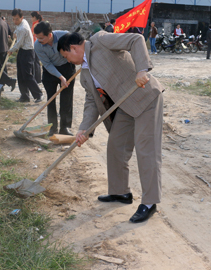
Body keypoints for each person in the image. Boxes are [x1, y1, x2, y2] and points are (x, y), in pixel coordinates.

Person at [57, 31, 164, 224]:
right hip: (125, 106)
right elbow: (91, 102)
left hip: (145, 98)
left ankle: (150, 203)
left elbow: (136, 39)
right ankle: (120, 192)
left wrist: (142, 70)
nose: (68, 61)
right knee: (116, 146)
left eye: (66, 56)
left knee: (146, 150)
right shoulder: (85, 74)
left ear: (73, 48)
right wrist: (84, 129)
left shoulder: (100, 41)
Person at [34, 21, 75, 135]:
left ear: (49, 34)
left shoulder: (65, 36)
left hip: (67, 68)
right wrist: (60, 77)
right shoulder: (38, 45)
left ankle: (65, 128)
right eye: (37, 37)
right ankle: (52, 128)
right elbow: (47, 65)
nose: (39, 40)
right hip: (50, 72)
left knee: (66, 99)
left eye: (41, 38)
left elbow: (78, 46)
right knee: (51, 99)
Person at [8, 9, 43, 103]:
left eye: (17, 19)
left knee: (27, 75)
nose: (15, 21)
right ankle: (24, 96)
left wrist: (11, 50)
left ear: (21, 18)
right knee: (20, 75)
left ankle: (38, 94)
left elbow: (19, 43)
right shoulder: (23, 22)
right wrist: (15, 33)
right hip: (22, 51)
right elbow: (17, 31)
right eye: (13, 19)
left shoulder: (23, 28)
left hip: (28, 52)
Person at [30, 11, 44, 84]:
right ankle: (37, 78)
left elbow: (33, 36)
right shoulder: (36, 24)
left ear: (34, 17)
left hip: (36, 45)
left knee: (36, 62)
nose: (31, 18)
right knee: (36, 62)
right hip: (36, 45)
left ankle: (37, 79)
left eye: (31, 17)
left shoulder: (36, 25)